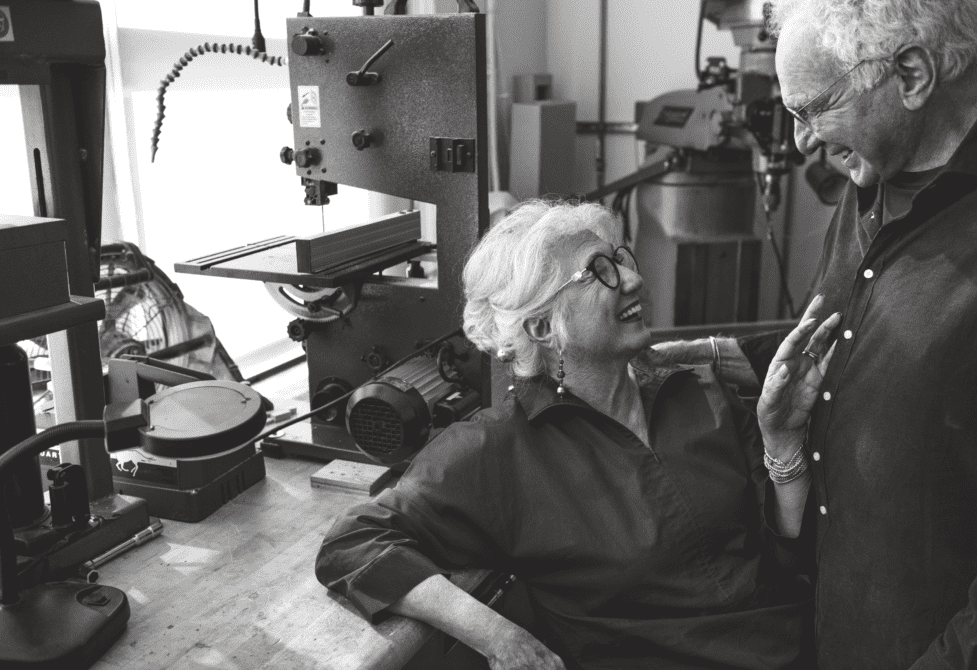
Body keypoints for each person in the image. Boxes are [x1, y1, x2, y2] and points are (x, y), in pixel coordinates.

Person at [657, 0, 977, 667]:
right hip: (836, 628)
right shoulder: (876, 174)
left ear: (910, 76)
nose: (801, 142)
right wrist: (720, 357)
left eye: (813, 109)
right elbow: (857, 337)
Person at [315, 200, 840, 670]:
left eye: (621, 257)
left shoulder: (699, 391)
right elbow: (352, 543)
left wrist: (782, 442)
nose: (632, 280)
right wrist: (498, 635)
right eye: (598, 272)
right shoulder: (498, 450)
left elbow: (787, 553)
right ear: (542, 328)